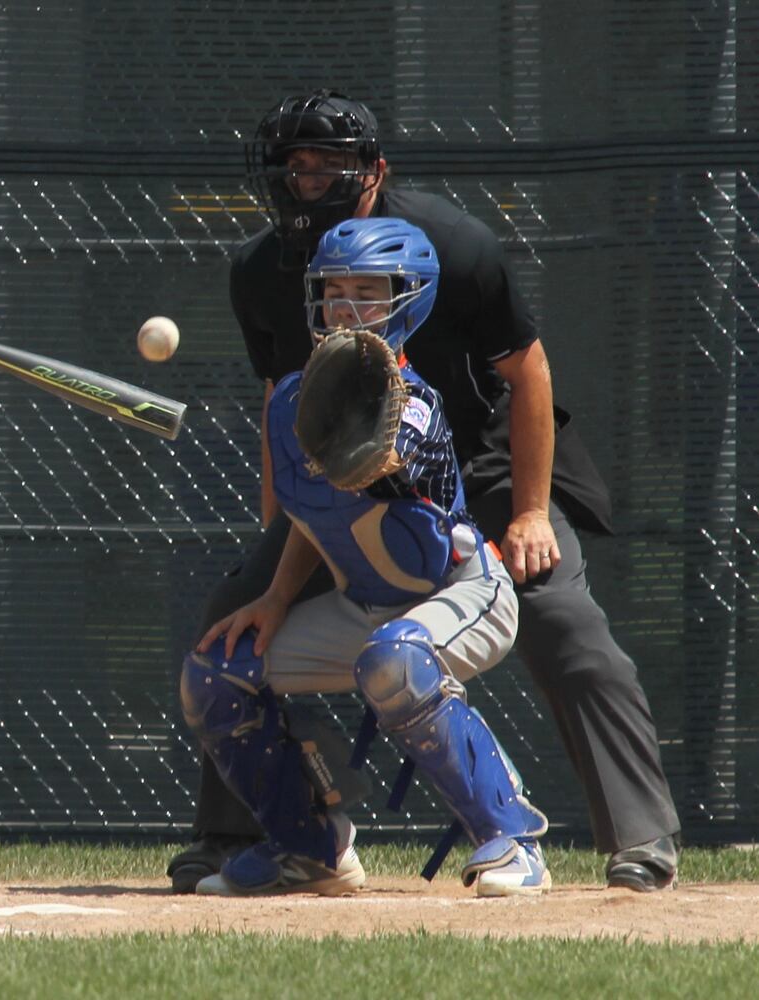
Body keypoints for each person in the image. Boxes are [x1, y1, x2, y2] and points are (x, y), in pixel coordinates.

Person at [167, 89, 679, 893]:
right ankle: (260, 835)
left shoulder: (452, 243)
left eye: (327, 164)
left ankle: (640, 837)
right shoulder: (264, 269)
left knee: (562, 617)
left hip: (482, 464)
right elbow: (286, 414)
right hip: (347, 479)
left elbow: (529, 371)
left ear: (374, 172)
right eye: (293, 165)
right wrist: (279, 569)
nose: (306, 179)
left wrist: (533, 511)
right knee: (234, 622)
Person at [181, 216, 549, 897]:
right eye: (335, 291)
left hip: (462, 592)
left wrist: (335, 436)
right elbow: (310, 514)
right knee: (217, 674)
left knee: (396, 660)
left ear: (409, 299)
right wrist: (275, 598)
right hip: (369, 606)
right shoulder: (292, 400)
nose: (348, 309)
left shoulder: (415, 410)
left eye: (369, 293)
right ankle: (311, 849)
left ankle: (513, 841)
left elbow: (371, 468)